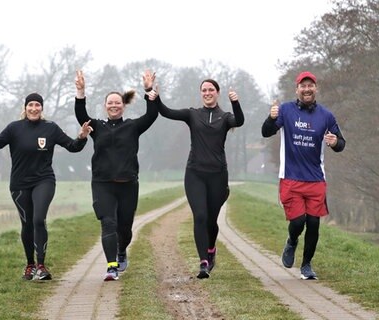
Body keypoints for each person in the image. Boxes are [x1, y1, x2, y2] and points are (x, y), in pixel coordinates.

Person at [0, 92, 91, 281]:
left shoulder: (50, 128)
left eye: (38, 105)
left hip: (44, 180)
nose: (34, 108)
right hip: (19, 184)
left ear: (42, 108)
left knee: (38, 219)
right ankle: (29, 265)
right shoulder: (14, 128)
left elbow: (73, 147)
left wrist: (82, 137)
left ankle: (41, 266)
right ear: (25, 108)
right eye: (31, 105)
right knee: (27, 223)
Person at [153, 77, 244, 279]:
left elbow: (239, 121)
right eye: (204, 90)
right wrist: (156, 99)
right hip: (195, 173)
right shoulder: (192, 114)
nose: (207, 93)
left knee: (211, 221)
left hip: (218, 176)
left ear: (217, 93)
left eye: (211, 89)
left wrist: (236, 102)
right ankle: (203, 262)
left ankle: (211, 250)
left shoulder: (225, 117)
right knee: (200, 216)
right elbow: (167, 112)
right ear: (200, 93)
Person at [74, 69, 159, 281]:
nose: (114, 105)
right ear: (105, 106)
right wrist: (81, 91)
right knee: (108, 223)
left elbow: (152, 114)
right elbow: (80, 116)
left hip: (128, 184)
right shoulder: (97, 126)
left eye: (117, 103)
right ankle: (112, 266)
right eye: (110, 103)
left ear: (123, 105)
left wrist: (148, 90)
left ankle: (122, 251)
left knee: (125, 229)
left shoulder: (132, 126)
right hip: (103, 184)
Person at [261, 71, 346, 280]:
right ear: (296, 89)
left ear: (316, 89)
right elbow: (266, 132)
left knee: (314, 224)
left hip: (316, 179)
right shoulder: (286, 110)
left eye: (311, 86)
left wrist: (335, 142)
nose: (307, 89)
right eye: (303, 86)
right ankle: (291, 241)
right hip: (290, 177)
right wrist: (271, 118)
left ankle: (306, 265)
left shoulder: (326, 116)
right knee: (298, 222)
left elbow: (340, 144)